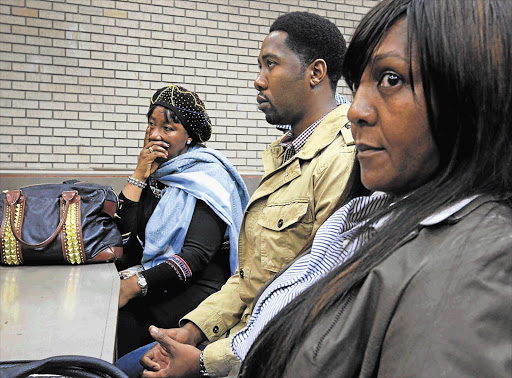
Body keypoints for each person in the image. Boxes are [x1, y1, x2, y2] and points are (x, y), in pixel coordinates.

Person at [221, 0, 510, 376]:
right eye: (359, 84)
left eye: (391, 78)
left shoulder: (478, 264)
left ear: (473, 92)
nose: (356, 109)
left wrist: (205, 360)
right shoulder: (369, 212)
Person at [116, 11, 356, 377]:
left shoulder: (344, 160)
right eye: (152, 125)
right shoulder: (286, 154)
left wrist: (202, 361)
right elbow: (250, 279)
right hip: (230, 336)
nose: (259, 81)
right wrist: (192, 330)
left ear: (316, 73)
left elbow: (315, 305)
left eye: (270, 65)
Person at [114, 84, 250, 357]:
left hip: (201, 286)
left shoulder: (208, 177)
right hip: (160, 277)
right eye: (151, 124)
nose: (154, 134)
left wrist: (135, 286)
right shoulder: (158, 172)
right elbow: (120, 238)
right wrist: (139, 174)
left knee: (128, 318)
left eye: (168, 128)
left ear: (189, 136)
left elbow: (196, 256)